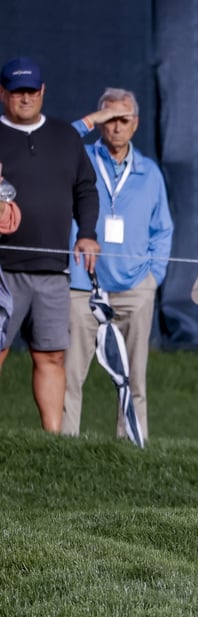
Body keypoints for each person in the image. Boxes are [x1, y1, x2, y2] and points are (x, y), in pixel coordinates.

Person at [60, 88, 174, 440]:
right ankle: (63, 445)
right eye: (108, 119)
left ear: (136, 124)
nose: (116, 127)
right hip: (84, 285)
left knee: (134, 377)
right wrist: (89, 123)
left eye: (123, 119)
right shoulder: (79, 157)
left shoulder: (150, 173)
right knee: (70, 375)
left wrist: (153, 278)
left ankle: (131, 445)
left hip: (134, 287)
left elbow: (163, 229)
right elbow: (58, 140)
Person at [0, 56, 100, 432]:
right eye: (16, 91)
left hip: (53, 270)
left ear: (43, 92)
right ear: (2, 93)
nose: (24, 98)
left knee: (52, 355)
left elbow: (86, 190)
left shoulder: (65, 137)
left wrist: (87, 234)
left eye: (31, 91)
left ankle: (52, 440)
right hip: (2, 271)